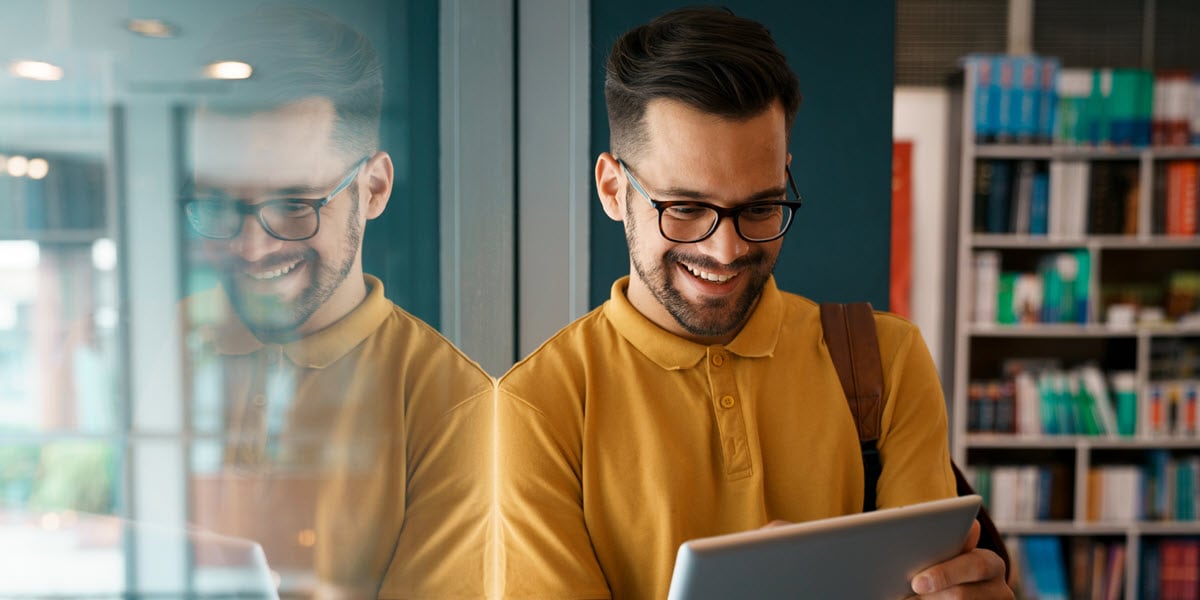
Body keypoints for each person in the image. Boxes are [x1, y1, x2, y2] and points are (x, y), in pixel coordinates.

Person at [496, 6, 1012, 599]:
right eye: (685, 208)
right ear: (614, 189)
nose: (726, 250)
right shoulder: (535, 410)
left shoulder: (887, 360)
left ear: (784, 176)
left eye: (760, 207)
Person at [179, 5, 493, 597]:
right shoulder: (161, 343)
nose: (250, 247)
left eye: (295, 206)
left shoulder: (453, 403)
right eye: (218, 204)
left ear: (373, 188)